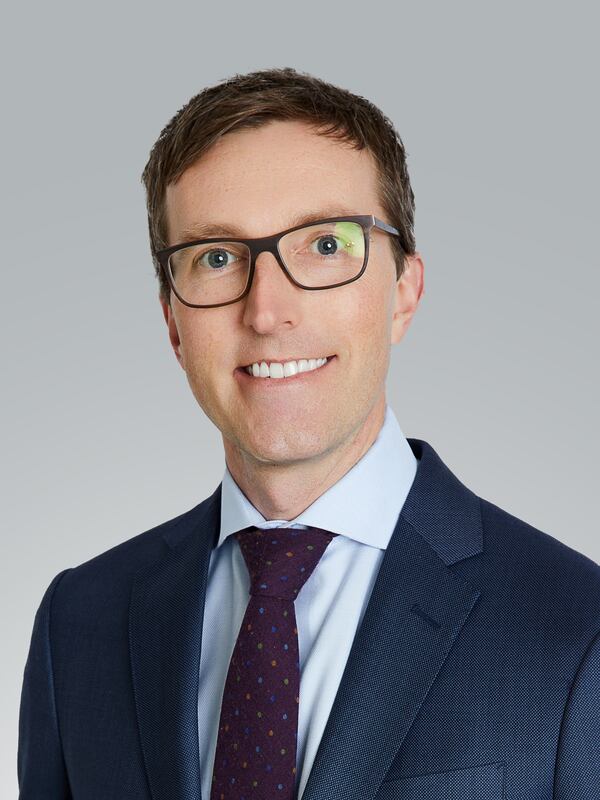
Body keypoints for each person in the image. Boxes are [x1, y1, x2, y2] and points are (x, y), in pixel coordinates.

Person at [17, 67, 600, 800]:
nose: (267, 311)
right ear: (172, 320)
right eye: (217, 258)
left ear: (404, 292)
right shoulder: (81, 623)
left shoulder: (577, 629)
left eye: (325, 246)